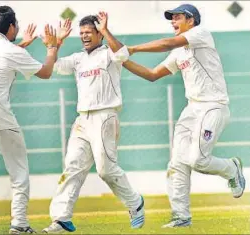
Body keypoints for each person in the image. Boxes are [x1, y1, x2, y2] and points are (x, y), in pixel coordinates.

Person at [97, 5, 246, 228]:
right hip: (192, 109)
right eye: (171, 19)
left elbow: (167, 42)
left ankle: (232, 168)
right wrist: (121, 58)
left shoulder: (201, 34)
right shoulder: (179, 53)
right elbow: (152, 75)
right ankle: (181, 216)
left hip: (213, 106)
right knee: (177, 163)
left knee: (197, 160)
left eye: (177, 18)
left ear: (191, 20)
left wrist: (133, 49)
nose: (173, 22)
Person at [42, 14, 145, 233]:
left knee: (106, 171)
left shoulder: (109, 53)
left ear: (99, 33)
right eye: (81, 33)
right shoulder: (78, 58)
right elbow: (56, 66)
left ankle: (135, 202)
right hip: (82, 119)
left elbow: (123, 54)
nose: (84, 36)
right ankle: (61, 219)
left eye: (89, 32)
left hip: (105, 116)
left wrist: (107, 30)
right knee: (72, 167)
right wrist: (56, 44)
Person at [0, 5, 61, 234]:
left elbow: (1, 58)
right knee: (19, 172)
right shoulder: (13, 51)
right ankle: (19, 224)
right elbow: (45, 73)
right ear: (12, 27)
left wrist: (23, 44)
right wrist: (52, 48)